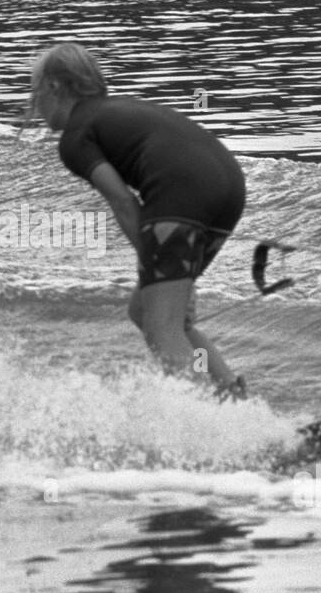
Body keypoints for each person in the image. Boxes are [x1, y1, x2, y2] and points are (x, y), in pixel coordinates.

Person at [26, 42, 248, 400]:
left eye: (34, 89)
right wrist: (172, 273)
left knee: (162, 328)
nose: (34, 104)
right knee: (146, 311)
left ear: (54, 86)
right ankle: (233, 400)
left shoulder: (76, 136)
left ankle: (213, 429)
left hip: (183, 196)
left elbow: (123, 201)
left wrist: (156, 263)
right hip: (229, 188)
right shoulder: (116, 111)